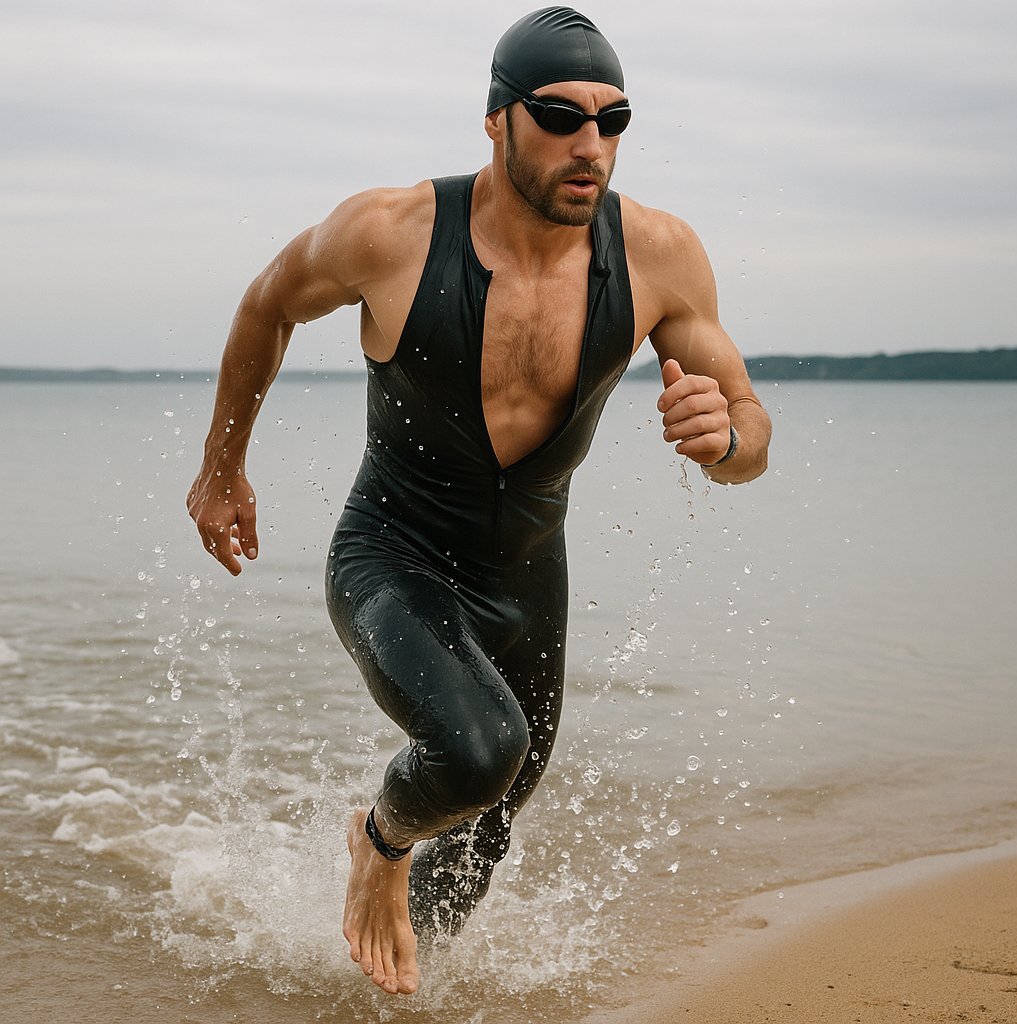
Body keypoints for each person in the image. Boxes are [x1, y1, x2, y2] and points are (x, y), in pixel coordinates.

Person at [187, 6, 771, 998]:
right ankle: (375, 841)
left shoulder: (659, 257)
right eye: (558, 115)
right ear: (497, 120)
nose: (591, 146)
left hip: (526, 577)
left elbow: (749, 435)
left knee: (491, 815)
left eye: (613, 119)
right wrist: (221, 466)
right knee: (475, 749)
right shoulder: (392, 232)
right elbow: (266, 302)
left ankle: (391, 991)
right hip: (391, 558)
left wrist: (725, 436)